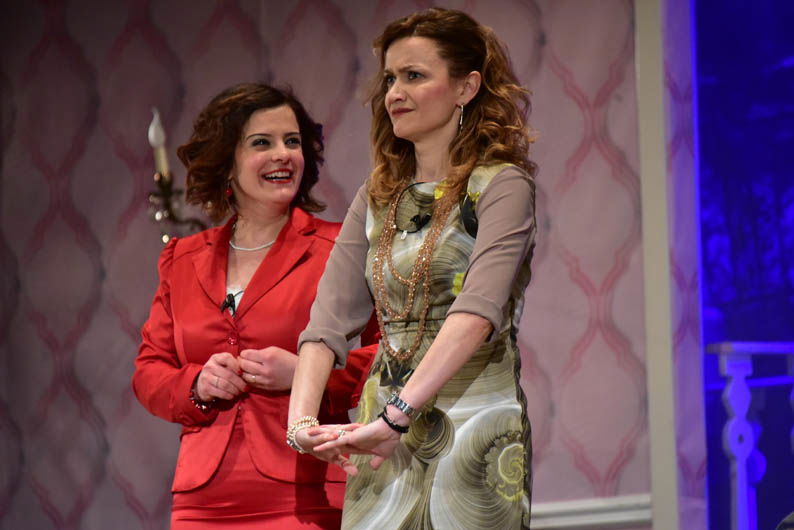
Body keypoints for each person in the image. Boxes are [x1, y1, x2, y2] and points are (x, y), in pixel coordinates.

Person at [287, 8, 538, 530]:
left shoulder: (501, 185)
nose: (394, 93)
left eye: (414, 76)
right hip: (379, 436)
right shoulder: (376, 196)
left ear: (466, 87)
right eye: (390, 79)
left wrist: (396, 415)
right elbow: (326, 323)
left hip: (472, 427)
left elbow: (476, 313)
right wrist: (301, 423)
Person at [133, 83, 376, 529]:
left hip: (308, 492)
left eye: (292, 141)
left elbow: (392, 355)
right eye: (262, 143)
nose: (283, 155)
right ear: (227, 162)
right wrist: (197, 384)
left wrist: (307, 374)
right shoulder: (181, 258)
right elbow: (149, 371)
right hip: (201, 503)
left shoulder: (340, 247)